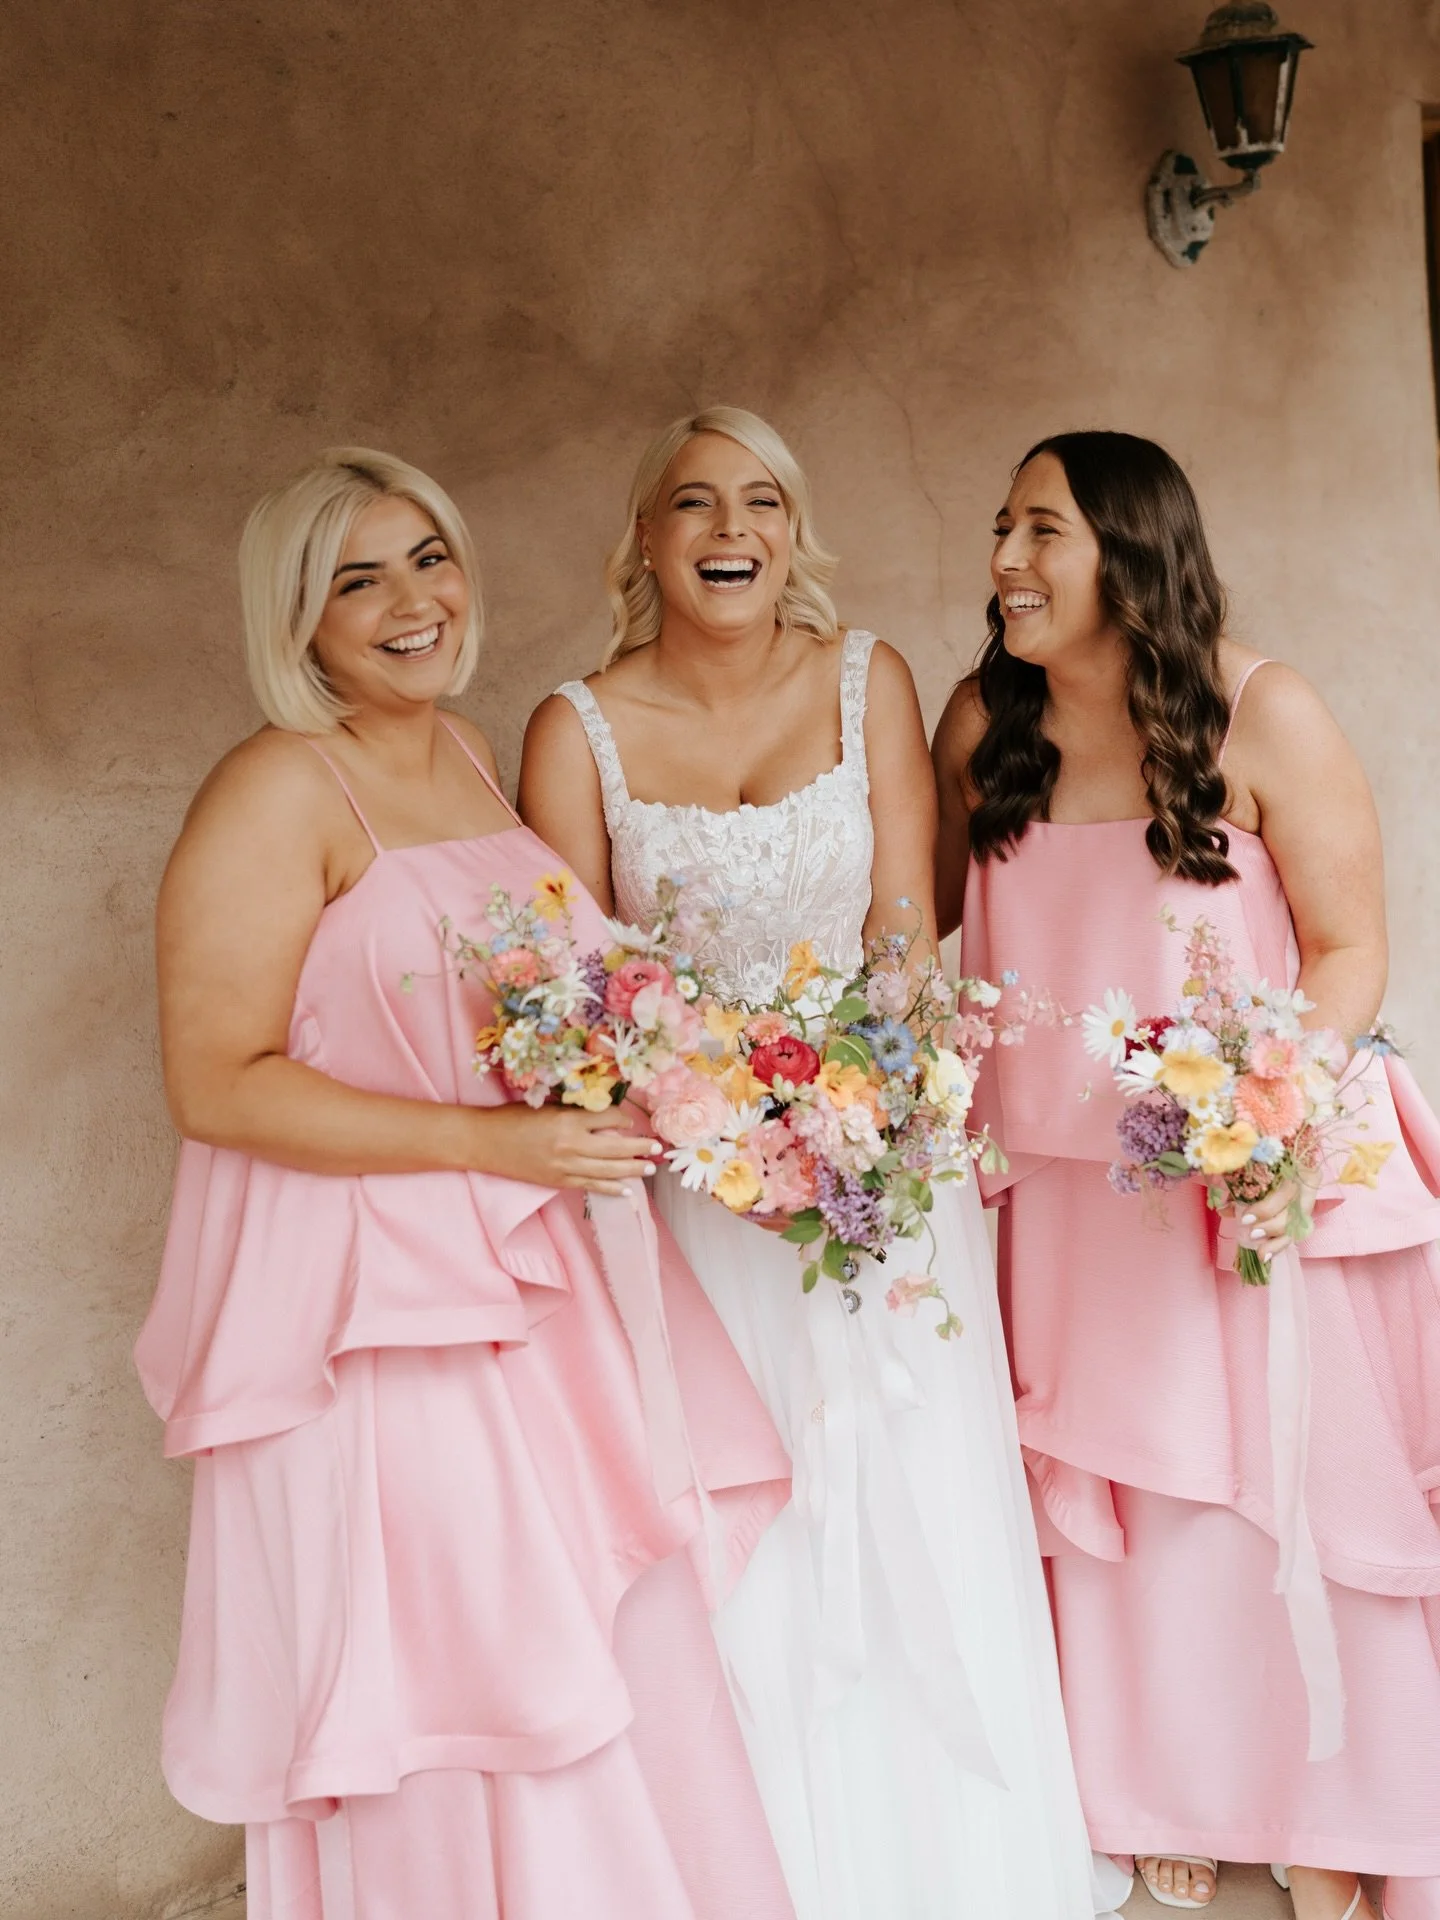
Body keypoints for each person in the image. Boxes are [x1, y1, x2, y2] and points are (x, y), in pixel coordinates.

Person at [135, 446, 797, 1920]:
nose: (410, 601)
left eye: (426, 558)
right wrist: (497, 1144)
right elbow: (217, 1078)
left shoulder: (464, 754)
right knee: (453, 1663)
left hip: (517, 1281)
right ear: (295, 619)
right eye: (355, 580)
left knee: (575, 1634)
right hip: (375, 1319)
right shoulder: (273, 791)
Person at [519, 406, 1124, 1920]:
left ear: (795, 532)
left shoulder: (871, 682)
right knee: (747, 1516)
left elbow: (908, 930)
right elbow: (567, 991)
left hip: (875, 1168)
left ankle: (956, 1866)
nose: (734, 530)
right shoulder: (572, 726)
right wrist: (714, 1115)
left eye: (765, 501)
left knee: (911, 1487)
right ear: (644, 540)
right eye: (694, 503)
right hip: (689, 1198)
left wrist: (861, 1106)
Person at [933, 429, 1440, 1920]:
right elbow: (932, 934)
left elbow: (1349, 949)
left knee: (1265, 1490)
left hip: (1230, 1164)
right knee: (1120, 1497)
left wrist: (1273, 1108)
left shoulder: (1260, 711)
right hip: (1061, 1187)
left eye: (1043, 531)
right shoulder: (981, 723)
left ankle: (1334, 1795)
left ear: (1130, 555)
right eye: (1003, 526)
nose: (1006, 561)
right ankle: (1170, 1782)